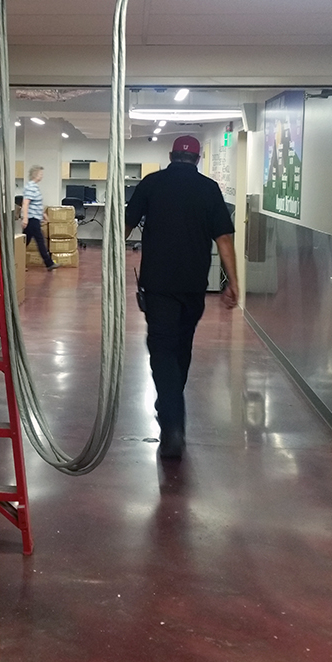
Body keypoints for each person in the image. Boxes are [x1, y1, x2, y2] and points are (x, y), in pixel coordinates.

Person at [125, 135, 238, 459]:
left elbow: (125, 225)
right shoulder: (209, 188)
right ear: (198, 159)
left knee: (161, 349)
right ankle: (170, 407)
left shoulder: (151, 183)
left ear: (171, 155)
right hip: (193, 285)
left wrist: (110, 266)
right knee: (181, 347)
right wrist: (232, 282)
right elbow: (224, 239)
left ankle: (172, 421)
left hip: (158, 285)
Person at [21, 165, 60, 271]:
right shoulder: (30, 186)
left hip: (35, 218)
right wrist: (25, 218)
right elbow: (26, 203)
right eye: (41, 174)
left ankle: (15, 262)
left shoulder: (35, 186)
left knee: (24, 242)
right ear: (35, 174)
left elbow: (36, 203)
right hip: (31, 219)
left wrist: (43, 214)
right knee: (39, 240)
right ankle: (49, 263)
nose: (42, 176)